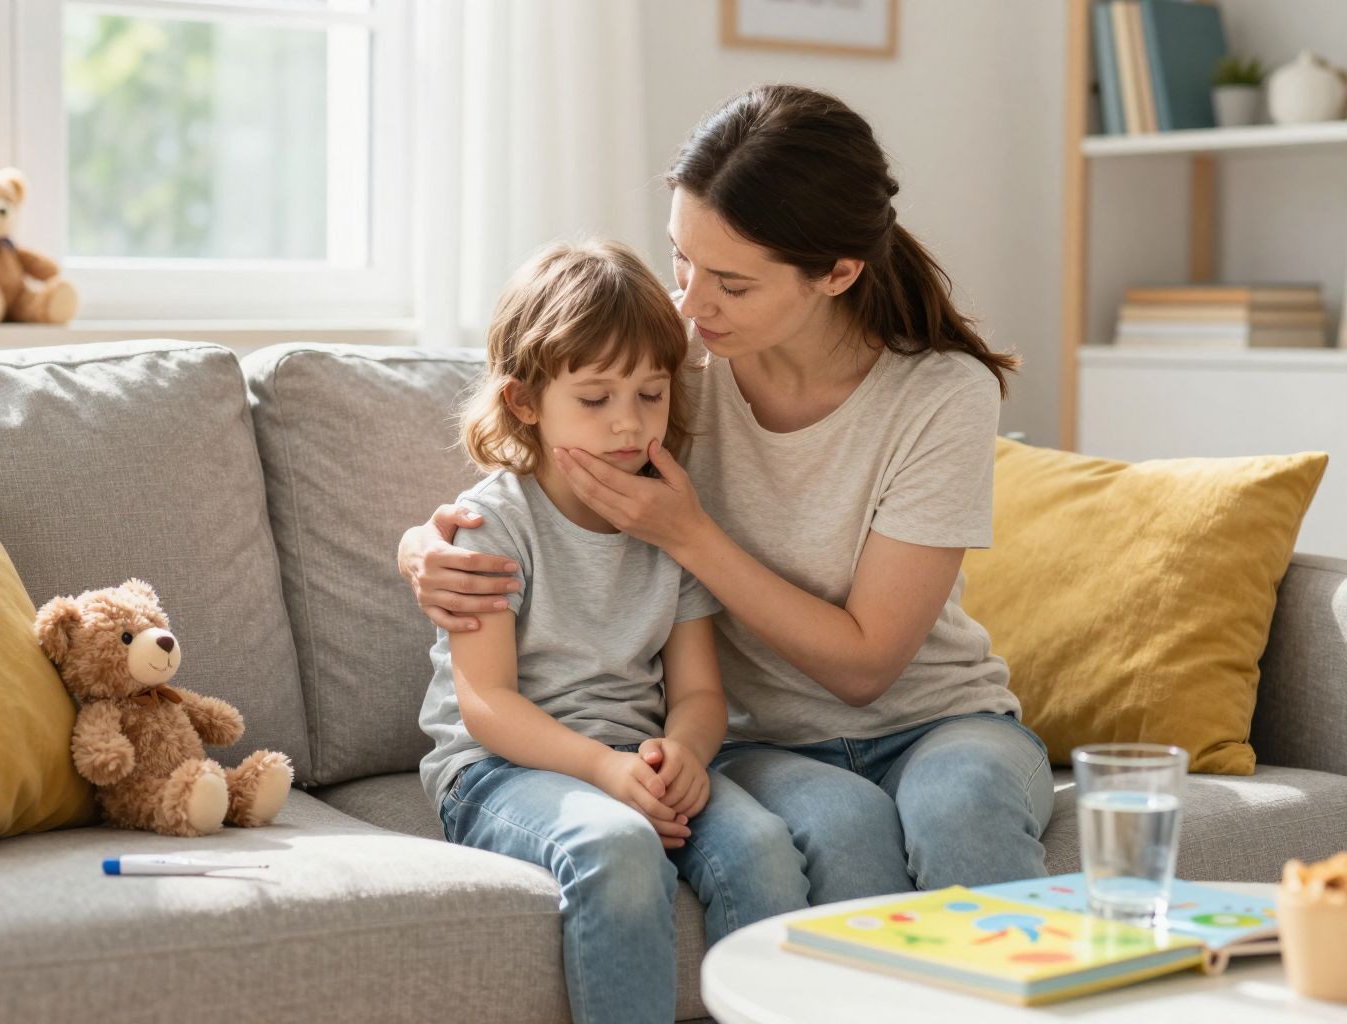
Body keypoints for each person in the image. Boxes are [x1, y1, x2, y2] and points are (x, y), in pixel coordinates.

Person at [402, 85, 1055, 908]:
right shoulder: (668, 368)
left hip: (941, 723)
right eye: (682, 258)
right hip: (760, 743)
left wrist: (690, 534)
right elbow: (529, 436)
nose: (690, 303)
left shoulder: (939, 394)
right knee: (840, 832)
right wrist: (424, 547)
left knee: (959, 806)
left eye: (732, 283)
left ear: (839, 272)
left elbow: (865, 667)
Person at [418, 239, 810, 1024]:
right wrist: (605, 772)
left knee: (764, 848)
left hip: (635, 761)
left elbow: (699, 689)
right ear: (527, 402)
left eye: (651, 395)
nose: (628, 426)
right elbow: (486, 703)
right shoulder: (492, 523)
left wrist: (686, 756)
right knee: (618, 847)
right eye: (595, 400)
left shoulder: (671, 518)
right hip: (499, 770)